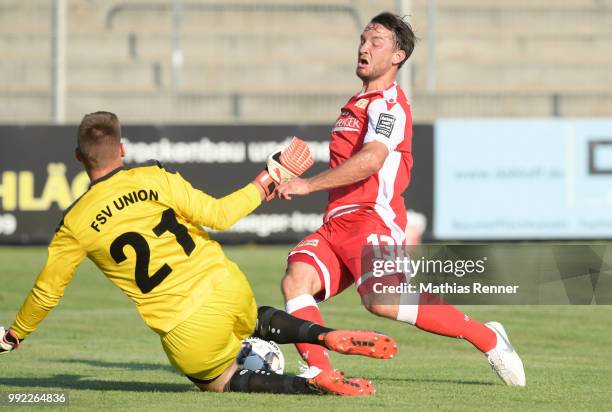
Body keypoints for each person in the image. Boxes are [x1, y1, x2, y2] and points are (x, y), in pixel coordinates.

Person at [0, 111, 399, 396]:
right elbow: (220, 214)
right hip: (229, 288)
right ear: (122, 149)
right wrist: (267, 179)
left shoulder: (76, 222)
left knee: (215, 379)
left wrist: (15, 334)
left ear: (78, 158)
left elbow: (46, 292)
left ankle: (309, 384)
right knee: (253, 320)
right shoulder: (155, 178)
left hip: (186, 327)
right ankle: (325, 336)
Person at [276, 12, 526, 386]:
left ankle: (488, 338)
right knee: (296, 281)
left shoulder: (388, 104)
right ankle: (323, 373)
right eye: (363, 39)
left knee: (382, 302)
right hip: (337, 223)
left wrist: (307, 185)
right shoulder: (358, 101)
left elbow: (373, 159)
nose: (364, 47)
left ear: (398, 56)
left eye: (376, 42)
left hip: (372, 218)